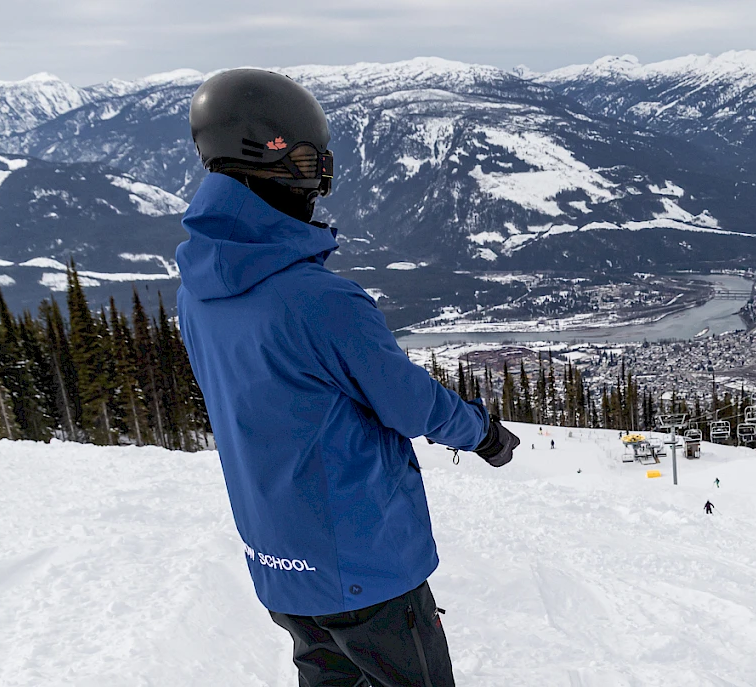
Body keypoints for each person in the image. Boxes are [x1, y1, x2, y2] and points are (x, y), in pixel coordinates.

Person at [177, 69, 521, 687]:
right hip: (364, 562)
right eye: (310, 161)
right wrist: (483, 433)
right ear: (270, 159)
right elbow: (409, 402)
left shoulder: (200, 292)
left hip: (281, 561)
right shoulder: (318, 298)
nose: (319, 181)